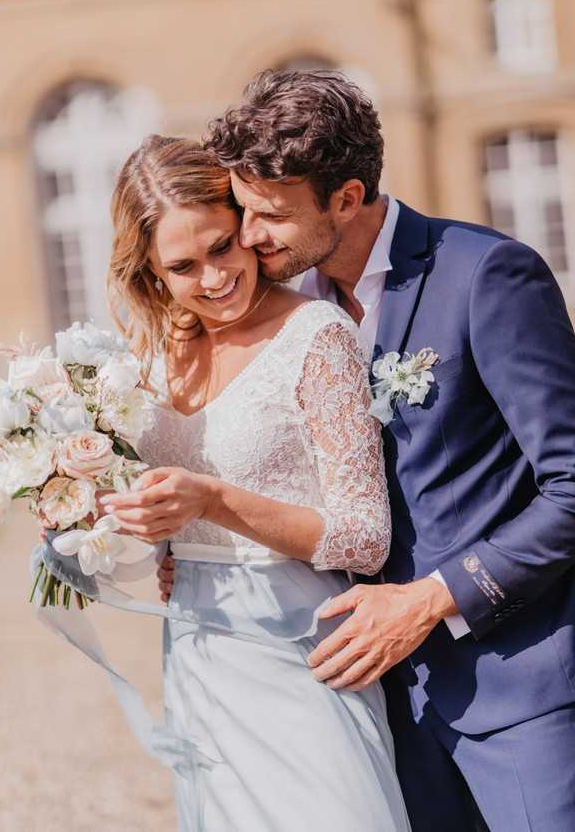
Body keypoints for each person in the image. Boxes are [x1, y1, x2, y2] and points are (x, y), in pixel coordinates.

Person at [156, 69, 575, 832]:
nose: (248, 238)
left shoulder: (486, 275)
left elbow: (572, 489)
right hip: (369, 698)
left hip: (515, 691)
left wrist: (431, 598)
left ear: (347, 199)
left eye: (270, 218)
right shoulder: (286, 305)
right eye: (243, 212)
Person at [101, 134, 411, 831]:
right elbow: (159, 513)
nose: (213, 278)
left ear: (243, 225)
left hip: (302, 650)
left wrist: (213, 500)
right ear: (151, 275)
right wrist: (95, 510)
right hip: (198, 654)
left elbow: (365, 538)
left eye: (222, 247)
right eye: (182, 267)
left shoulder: (315, 335)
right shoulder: (152, 357)